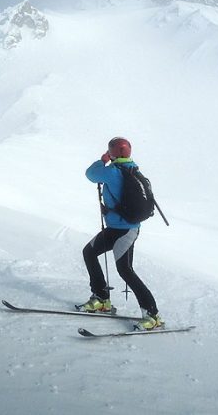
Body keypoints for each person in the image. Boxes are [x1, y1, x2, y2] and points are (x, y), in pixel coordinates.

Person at [80, 136, 164, 330]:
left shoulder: (113, 172)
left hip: (125, 231)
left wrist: (103, 160)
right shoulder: (133, 169)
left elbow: (91, 174)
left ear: (113, 153)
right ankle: (101, 298)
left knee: (125, 270)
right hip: (117, 229)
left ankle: (152, 315)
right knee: (89, 252)